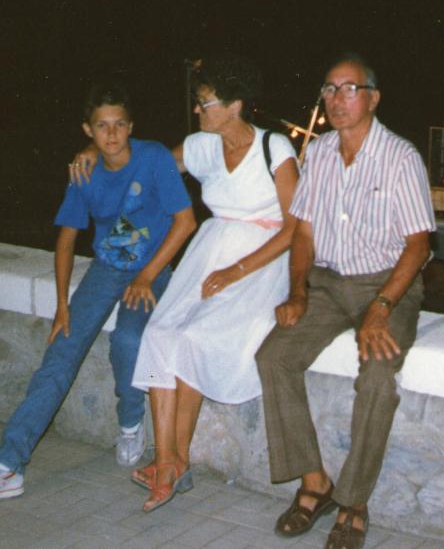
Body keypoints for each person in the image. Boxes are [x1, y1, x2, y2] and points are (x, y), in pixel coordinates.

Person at [0, 75, 195, 503]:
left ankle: (130, 422)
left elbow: (185, 222)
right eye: (102, 126)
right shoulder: (83, 172)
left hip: (152, 272)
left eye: (119, 124)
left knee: (129, 339)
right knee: (59, 355)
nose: (112, 134)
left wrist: (145, 274)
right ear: (88, 130)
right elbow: (65, 240)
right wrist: (62, 305)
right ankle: (9, 466)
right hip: (105, 270)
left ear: (131, 126)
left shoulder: (154, 158)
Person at [72, 54, 299, 513]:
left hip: (260, 261)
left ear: (235, 105)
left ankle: (174, 463)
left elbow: (296, 227)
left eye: (206, 103)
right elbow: (146, 163)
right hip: (210, 252)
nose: (198, 111)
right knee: (160, 332)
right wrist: (100, 151)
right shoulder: (202, 145)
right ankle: (168, 461)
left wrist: (238, 271)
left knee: (195, 337)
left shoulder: (275, 149)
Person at [255, 54, 435, 549]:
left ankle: (353, 501)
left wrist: (380, 309)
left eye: (349, 89)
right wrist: (297, 292)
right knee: (274, 357)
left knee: (377, 376)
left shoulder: (401, 157)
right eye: (329, 89)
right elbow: (305, 232)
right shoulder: (319, 152)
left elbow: (419, 245)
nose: (337, 99)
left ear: (373, 98)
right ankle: (315, 483)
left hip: (386, 284)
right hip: (328, 284)